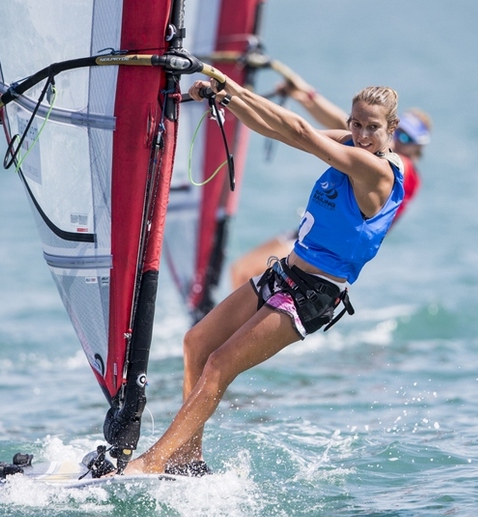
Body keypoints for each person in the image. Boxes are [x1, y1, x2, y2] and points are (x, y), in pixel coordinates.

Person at [112, 71, 405, 477]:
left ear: (392, 129)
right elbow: (280, 130)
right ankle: (187, 458)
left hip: (314, 292)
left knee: (218, 364)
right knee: (197, 343)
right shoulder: (351, 145)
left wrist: (229, 86)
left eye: (372, 127)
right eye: (355, 124)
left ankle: (153, 461)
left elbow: (301, 130)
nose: (360, 133)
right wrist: (225, 97)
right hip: (286, 273)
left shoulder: (376, 171)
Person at [229, 76, 432, 290]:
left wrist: (305, 96)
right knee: (240, 270)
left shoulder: (401, 169)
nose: (400, 141)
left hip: (329, 251)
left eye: (408, 139)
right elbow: (336, 127)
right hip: (314, 231)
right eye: (401, 135)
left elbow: (316, 130)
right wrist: (303, 94)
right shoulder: (366, 145)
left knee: (249, 275)